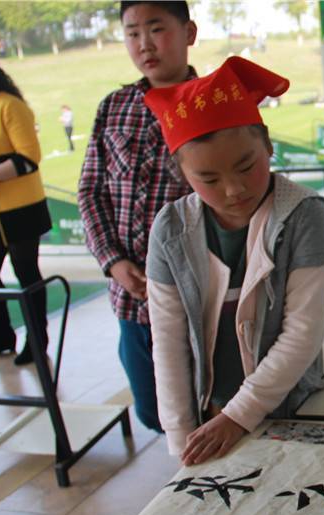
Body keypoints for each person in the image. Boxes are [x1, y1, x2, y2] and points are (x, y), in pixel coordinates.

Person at [143, 57, 324, 465]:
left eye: (247, 166)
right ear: (181, 173)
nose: (233, 190)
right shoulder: (171, 229)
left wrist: (238, 415)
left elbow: (302, 334)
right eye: (208, 179)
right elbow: (169, 342)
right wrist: (181, 439)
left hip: (288, 406)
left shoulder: (304, 215)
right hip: (210, 408)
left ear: (267, 144)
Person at [77, 1, 197, 432]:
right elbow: (90, 191)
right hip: (132, 297)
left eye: (156, 29)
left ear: (189, 32)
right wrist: (113, 261)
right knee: (153, 412)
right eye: (132, 33)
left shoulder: (215, 103)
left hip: (198, 298)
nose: (144, 44)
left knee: (208, 407)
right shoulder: (114, 107)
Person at [0, 41, 52, 366]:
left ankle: (37, 339)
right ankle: (1, 333)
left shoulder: (9, 107)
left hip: (19, 209)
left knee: (26, 272)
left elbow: (29, 157)